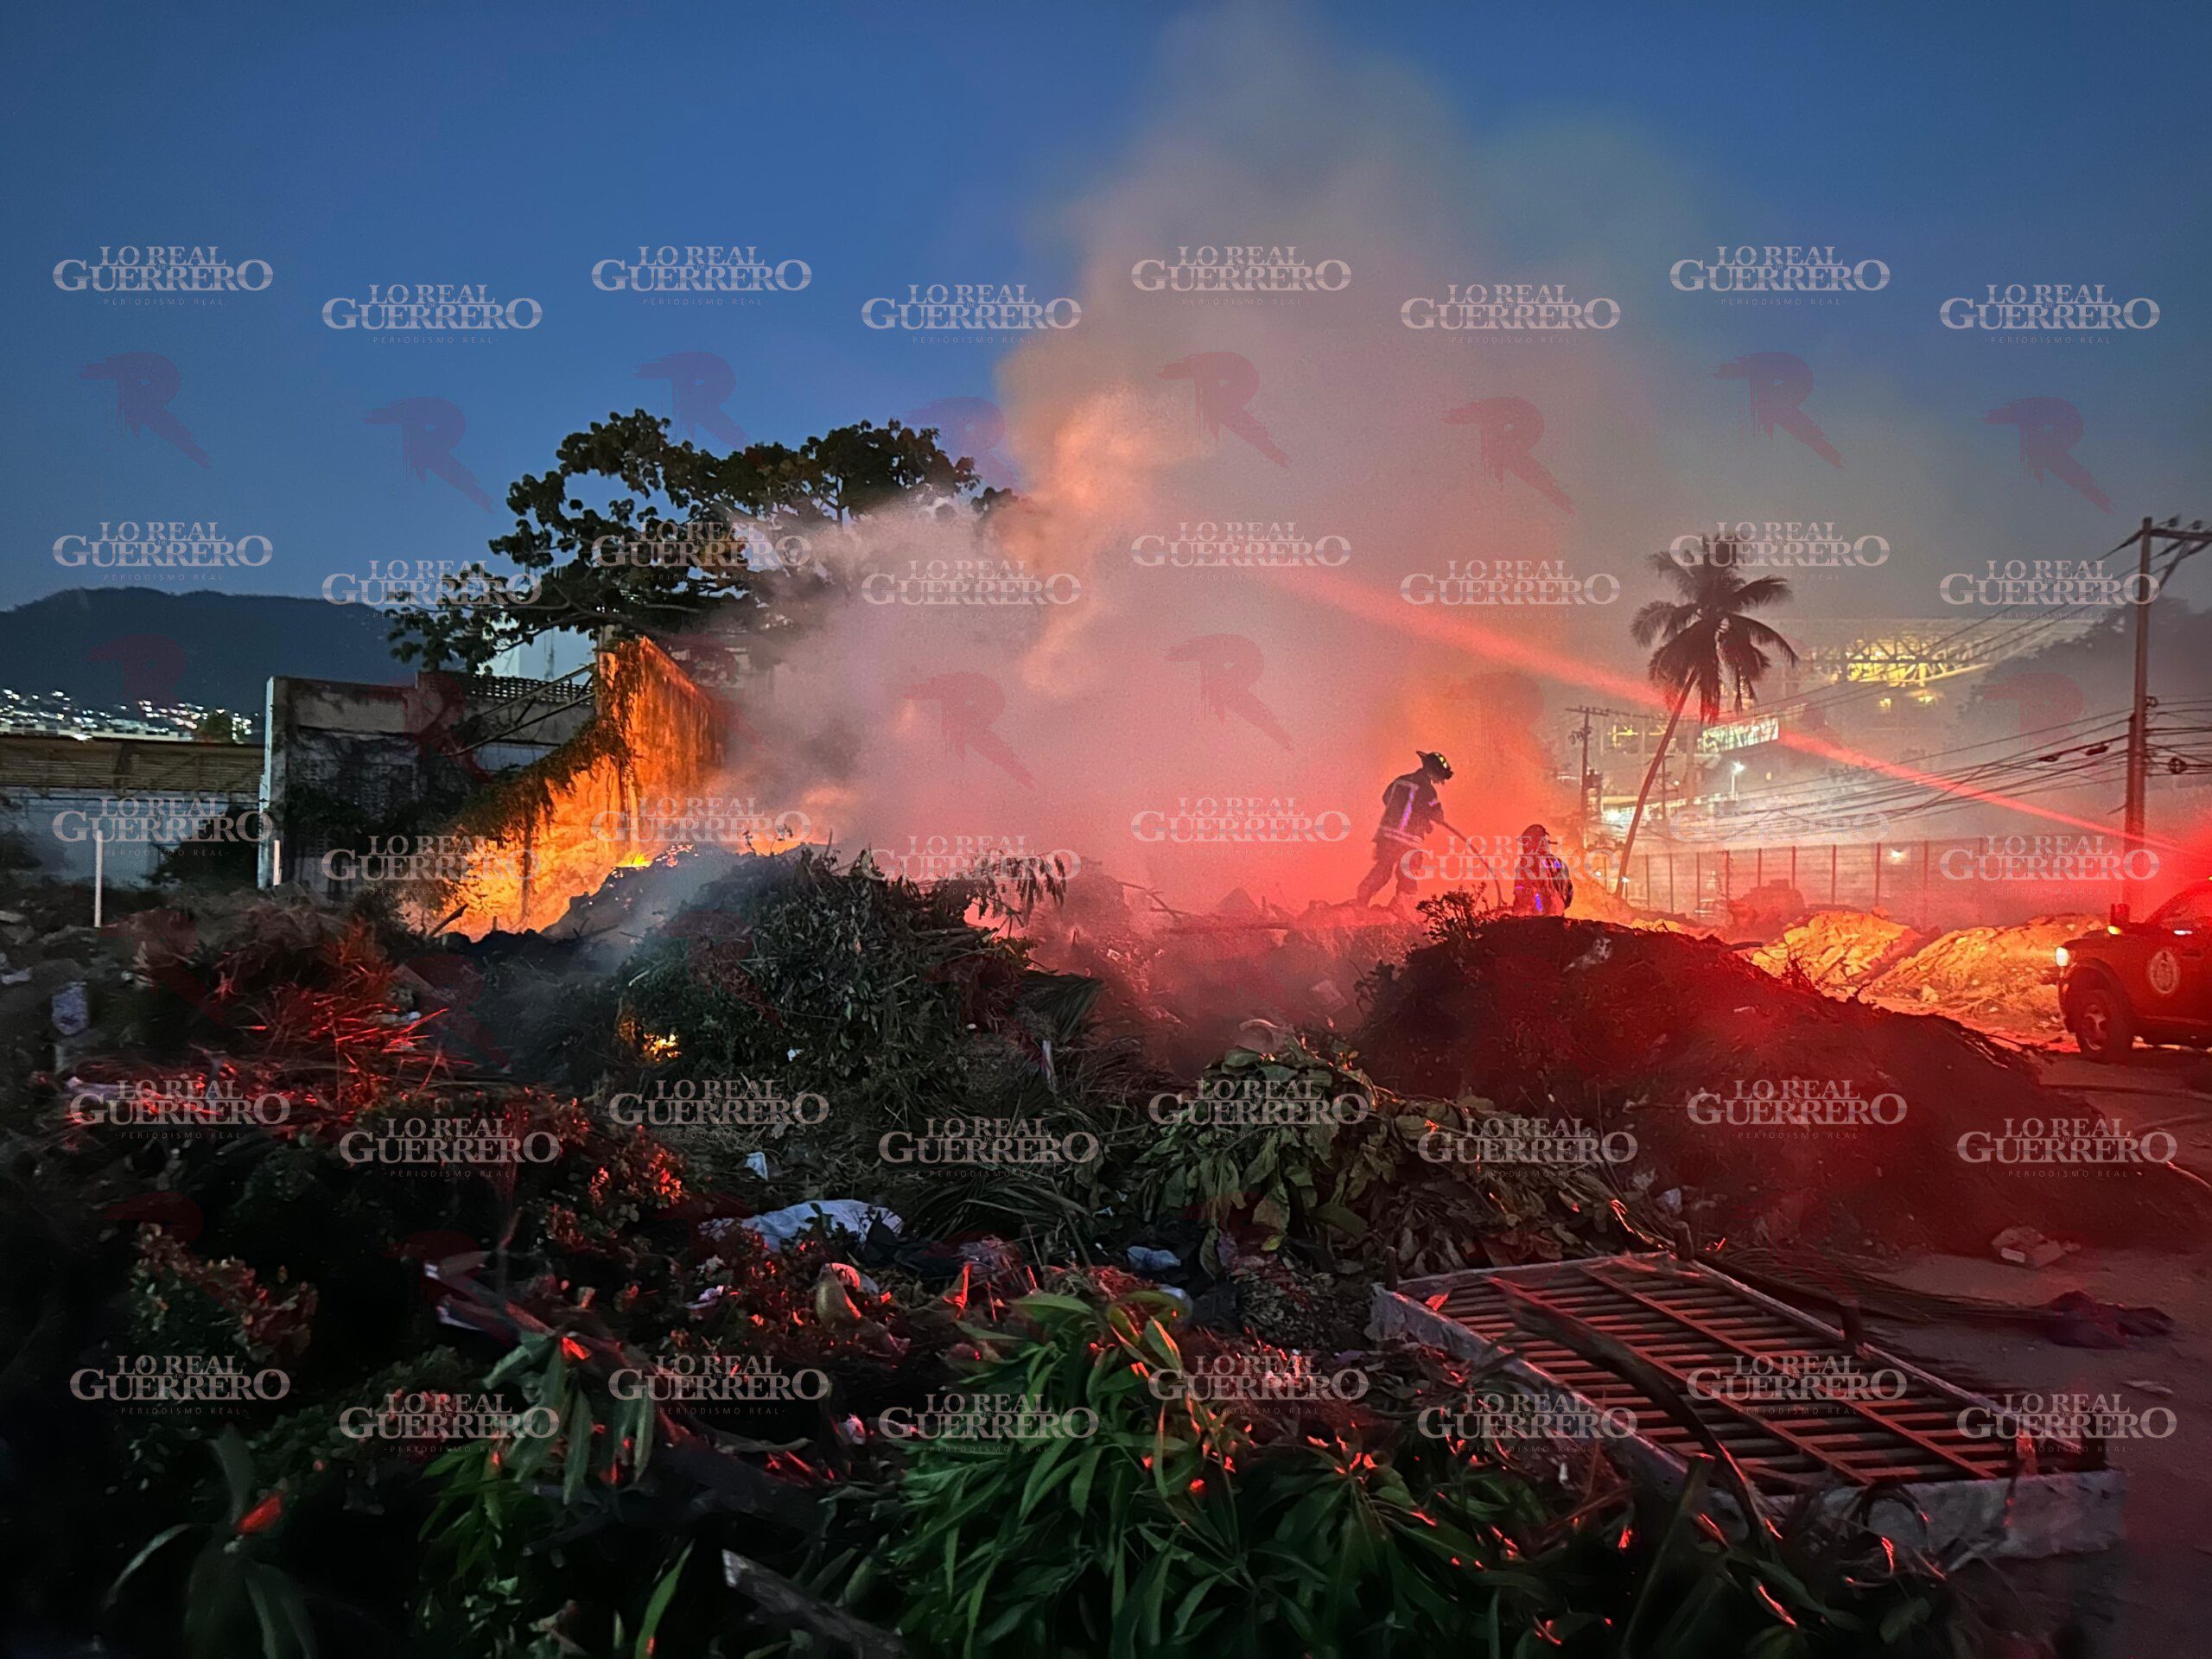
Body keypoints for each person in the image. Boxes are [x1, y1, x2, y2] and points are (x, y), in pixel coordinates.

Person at [1354, 751, 1453, 908]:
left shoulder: (1400, 781)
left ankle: (1360, 901)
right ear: (1434, 771)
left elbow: (1388, 798)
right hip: (1409, 840)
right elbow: (1436, 813)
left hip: (1387, 835)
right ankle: (1403, 908)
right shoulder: (1427, 789)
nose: (1440, 780)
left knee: (1383, 868)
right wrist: (1429, 818)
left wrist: (1407, 815)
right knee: (1407, 873)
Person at [1511, 822, 1573, 916]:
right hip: (1557, 917)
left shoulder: (1529, 862)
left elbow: (1526, 892)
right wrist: (1557, 908)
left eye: (1526, 843)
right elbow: (1569, 894)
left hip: (1535, 920)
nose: (1524, 846)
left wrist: (1539, 910)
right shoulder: (1560, 864)